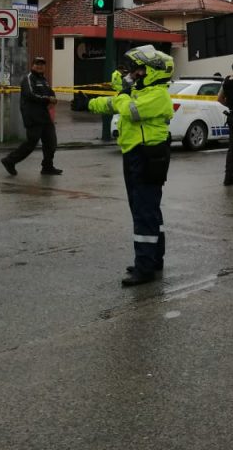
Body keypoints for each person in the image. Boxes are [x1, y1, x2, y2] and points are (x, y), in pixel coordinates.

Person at [85, 45, 174, 286]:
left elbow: (130, 110)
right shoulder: (142, 91)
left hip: (147, 155)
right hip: (135, 153)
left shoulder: (158, 95)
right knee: (146, 209)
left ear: (154, 72)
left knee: (144, 210)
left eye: (140, 70)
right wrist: (92, 103)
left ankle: (144, 268)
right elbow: (118, 104)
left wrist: (123, 92)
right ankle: (154, 259)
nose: (135, 74)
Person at [1, 56, 62, 176]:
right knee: (31, 143)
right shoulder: (28, 79)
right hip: (32, 116)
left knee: (51, 142)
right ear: (32, 65)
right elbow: (30, 95)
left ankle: (47, 167)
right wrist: (47, 99)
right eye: (37, 63)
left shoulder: (44, 80)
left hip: (44, 115)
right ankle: (9, 161)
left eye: (42, 64)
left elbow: (50, 93)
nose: (40, 66)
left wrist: (53, 99)